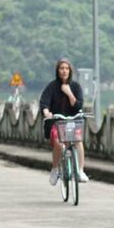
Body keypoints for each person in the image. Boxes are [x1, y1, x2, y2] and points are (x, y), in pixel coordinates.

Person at [39, 57, 88, 185]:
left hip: (73, 121)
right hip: (58, 121)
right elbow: (44, 102)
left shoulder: (76, 86)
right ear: (58, 70)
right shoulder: (52, 86)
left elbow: (78, 105)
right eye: (62, 68)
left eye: (67, 68)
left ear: (70, 71)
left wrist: (69, 93)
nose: (64, 71)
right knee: (59, 144)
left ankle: (80, 170)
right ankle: (55, 169)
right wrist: (46, 112)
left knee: (78, 140)